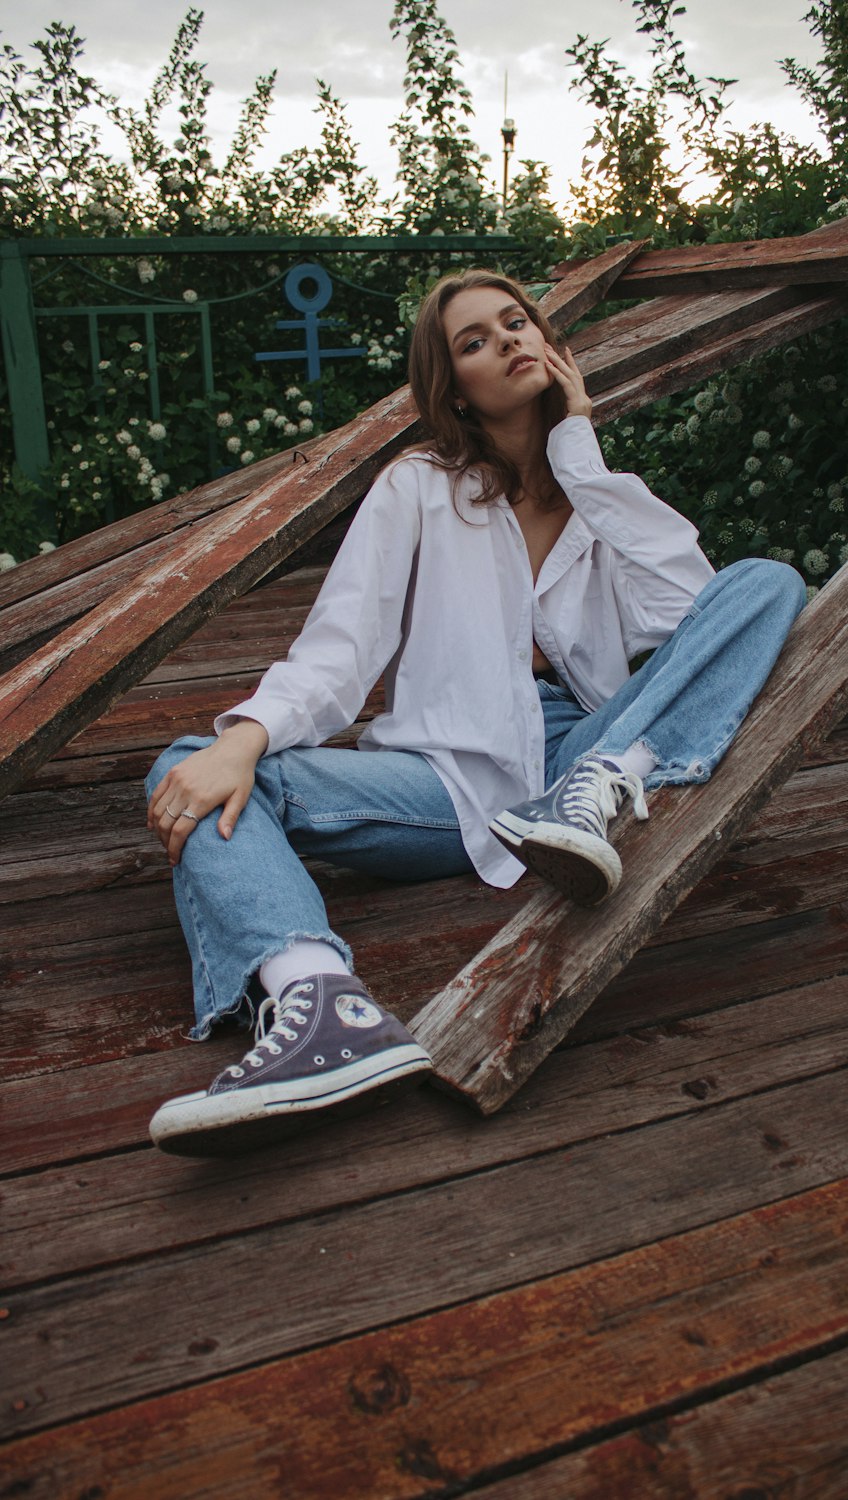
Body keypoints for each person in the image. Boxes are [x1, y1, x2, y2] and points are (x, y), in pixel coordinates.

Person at [146, 268, 805, 1157]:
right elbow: (343, 644)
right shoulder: (418, 485)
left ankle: (601, 790)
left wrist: (581, 456)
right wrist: (251, 736)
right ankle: (322, 1008)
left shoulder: (600, 498)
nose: (507, 341)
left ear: (550, 344)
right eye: (475, 342)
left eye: (516, 322)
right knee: (191, 766)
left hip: (586, 754)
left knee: (764, 582)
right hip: (448, 780)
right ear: (454, 387)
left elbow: (687, 613)